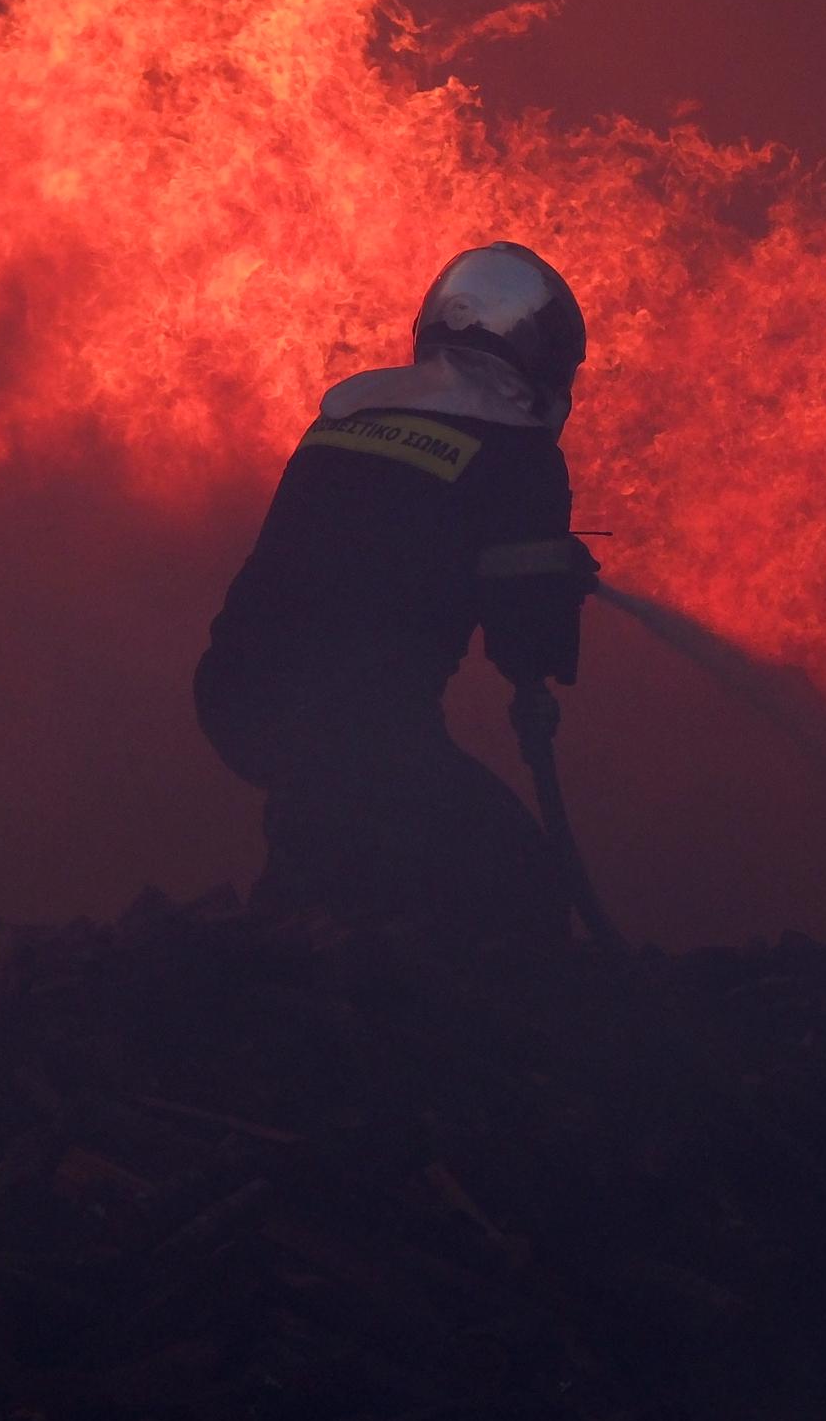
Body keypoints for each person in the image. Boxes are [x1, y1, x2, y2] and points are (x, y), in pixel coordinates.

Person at [192, 243, 600, 942]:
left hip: (235, 693)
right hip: (357, 722)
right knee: (519, 876)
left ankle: (290, 931)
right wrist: (553, 587)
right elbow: (524, 642)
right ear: (544, 356)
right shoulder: (520, 455)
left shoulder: (346, 418)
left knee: (339, 829)